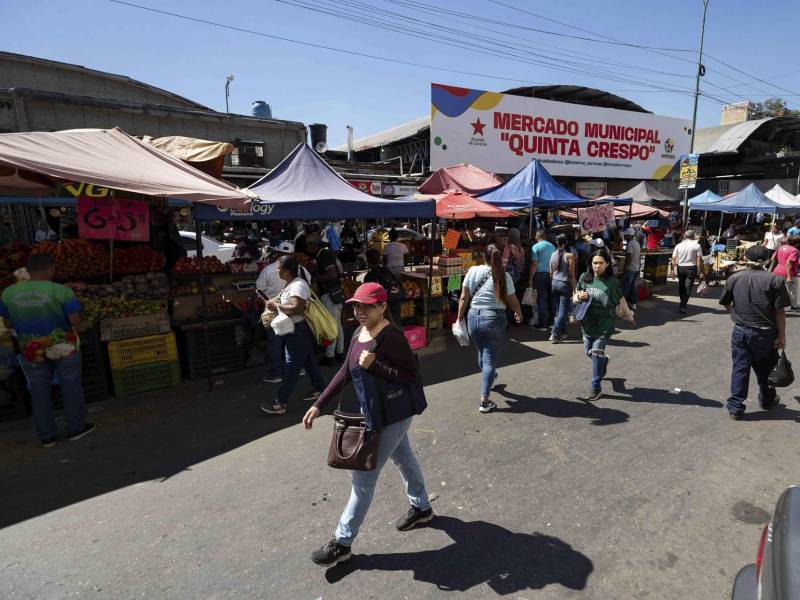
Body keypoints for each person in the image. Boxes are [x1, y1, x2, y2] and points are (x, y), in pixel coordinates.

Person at [302, 283, 432, 567]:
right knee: (404, 457)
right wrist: (318, 404)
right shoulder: (358, 333)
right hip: (374, 411)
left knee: (362, 479)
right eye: (356, 306)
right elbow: (344, 371)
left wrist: (377, 366)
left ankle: (342, 542)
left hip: (394, 414)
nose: (360, 311)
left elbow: (411, 374)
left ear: (383, 306)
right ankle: (422, 506)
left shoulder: (392, 337)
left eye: (367, 306)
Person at [0, 254, 94, 447]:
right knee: (71, 386)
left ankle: (46, 436)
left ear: (28, 270)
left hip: (30, 348)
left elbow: (8, 323)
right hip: (64, 346)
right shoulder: (60, 291)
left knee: (39, 392)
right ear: (50, 268)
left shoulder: (8, 293)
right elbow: (75, 320)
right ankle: (76, 428)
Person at [719, 245, 790, 420]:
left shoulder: (734, 278)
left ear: (746, 258)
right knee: (765, 368)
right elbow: (780, 311)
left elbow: (726, 303)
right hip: (765, 333)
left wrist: (735, 314)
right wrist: (782, 336)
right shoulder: (775, 281)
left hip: (741, 331)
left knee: (740, 368)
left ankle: (736, 407)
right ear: (767, 260)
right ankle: (766, 399)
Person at [457, 245, 523, 413]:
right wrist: (518, 313)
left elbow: (464, 297)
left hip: (473, 317)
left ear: (483, 257)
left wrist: (459, 318)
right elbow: (513, 300)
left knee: (482, 353)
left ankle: (491, 376)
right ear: (500, 259)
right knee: (488, 359)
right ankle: (484, 400)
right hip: (494, 318)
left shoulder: (472, 271)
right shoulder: (504, 275)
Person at [260, 255, 326, 415]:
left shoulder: (298, 285)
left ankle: (280, 403)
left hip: (298, 332)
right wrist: (272, 302)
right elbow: (285, 301)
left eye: (279, 268)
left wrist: (276, 305)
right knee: (308, 361)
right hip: (295, 331)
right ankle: (320, 389)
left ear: (287, 271)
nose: (276, 270)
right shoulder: (291, 284)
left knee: (291, 369)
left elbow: (297, 308)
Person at [575, 250, 633, 401]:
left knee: (595, 353)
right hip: (587, 323)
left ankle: (595, 387)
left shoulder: (612, 281)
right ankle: (604, 361)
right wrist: (578, 297)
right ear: (590, 264)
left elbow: (620, 300)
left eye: (601, 263)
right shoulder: (584, 278)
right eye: (595, 263)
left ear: (607, 264)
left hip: (605, 324)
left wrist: (628, 316)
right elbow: (575, 295)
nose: (597, 266)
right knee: (589, 352)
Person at [256, 241, 310, 383]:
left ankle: (276, 373)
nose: (278, 271)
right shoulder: (302, 271)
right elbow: (308, 288)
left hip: (278, 314)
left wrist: (271, 305)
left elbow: (259, 290)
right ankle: (298, 370)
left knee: (276, 344)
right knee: (292, 344)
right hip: (295, 318)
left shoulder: (269, 270)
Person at [306, 234, 345, 366]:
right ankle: (339, 352)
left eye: (308, 244)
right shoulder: (322, 256)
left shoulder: (324, 256)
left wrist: (316, 279)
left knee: (331, 325)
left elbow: (332, 274)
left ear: (314, 245)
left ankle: (330, 356)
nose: (307, 247)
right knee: (337, 324)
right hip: (333, 294)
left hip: (330, 294)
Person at [549, 233, 577, 343]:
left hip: (554, 283)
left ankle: (563, 332)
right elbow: (571, 275)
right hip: (564, 284)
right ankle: (555, 333)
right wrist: (575, 289)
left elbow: (551, 272)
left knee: (559, 310)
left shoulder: (552, 255)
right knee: (563, 311)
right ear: (566, 243)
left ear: (557, 243)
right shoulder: (569, 256)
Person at [364, 248, 403, 323]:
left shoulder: (369, 276)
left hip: (383, 307)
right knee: (396, 325)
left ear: (368, 261)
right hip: (395, 301)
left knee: (386, 327)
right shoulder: (386, 270)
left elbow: (368, 296)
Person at [528, 230, 556, 331]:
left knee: (541, 299)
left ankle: (542, 324)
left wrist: (530, 278)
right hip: (551, 275)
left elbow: (534, 264)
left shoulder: (536, 246)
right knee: (551, 298)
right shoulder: (552, 246)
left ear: (537, 236)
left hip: (539, 274)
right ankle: (551, 322)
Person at [671, 230, 704, 314]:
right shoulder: (697, 245)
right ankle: (683, 304)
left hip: (680, 268)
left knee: (682, 286)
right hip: (691, 268)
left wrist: (672, 270)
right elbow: (699, 259)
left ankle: (683, 302)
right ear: (693, 237)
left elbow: (673, 259)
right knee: (688, 287)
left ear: (684, 237)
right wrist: (700, 272)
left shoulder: (678, 245)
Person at [772, 235, 800, 309]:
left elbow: (773, 258)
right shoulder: (795, 250)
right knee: (792, 290)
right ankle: (794, 306)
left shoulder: (780, 247)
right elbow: (789, 263)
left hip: (777, 271)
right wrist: (789, 276)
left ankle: (774, 305)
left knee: (777, 290)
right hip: (788, 273)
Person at [621, 228, 641, 314]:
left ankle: (622, 306)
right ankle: (633, 304)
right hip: (636, 267)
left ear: (629, 235)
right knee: (633, 287)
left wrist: (625, 267)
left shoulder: (630, 244)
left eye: (626, 235)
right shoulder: (636, 243)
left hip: (631, 268)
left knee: (626, 287)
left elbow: (629, 257)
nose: (624, 236)